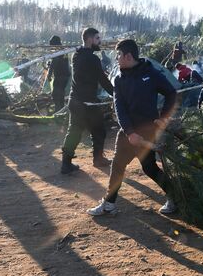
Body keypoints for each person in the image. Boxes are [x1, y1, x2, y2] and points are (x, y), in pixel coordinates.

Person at [87, 39, 177, 216]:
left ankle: (175, 197)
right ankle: (109, 204)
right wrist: (129, 132)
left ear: (128, 56)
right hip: (127, 132)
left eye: (118, 55)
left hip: (148, 131)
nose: (117, 58)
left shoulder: (151, 74)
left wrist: (163, 118)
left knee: (149, 167)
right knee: (118, 165)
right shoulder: (119, 80)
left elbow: (171, 93)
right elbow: (119, 107)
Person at [60, 27, 114, 174]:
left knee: (74, 132)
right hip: (88, 103)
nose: (99, 41)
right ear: (89, 39)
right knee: (99, 130)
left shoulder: (76, 55)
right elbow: (102, 80)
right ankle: (98, 159)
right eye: (97, 38)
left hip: (75, 100)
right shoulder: (92, 59)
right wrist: (116, 94)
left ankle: (66, 164)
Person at [45, 35, 71, 113]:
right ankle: (61, 111)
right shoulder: (64, 50)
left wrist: (49, 74)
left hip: (60, 75)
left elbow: (54, 62)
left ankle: (58, 111)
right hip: (65, 75)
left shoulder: (58, 50)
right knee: (61, 93)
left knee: (56, 94)